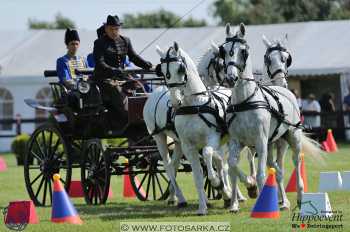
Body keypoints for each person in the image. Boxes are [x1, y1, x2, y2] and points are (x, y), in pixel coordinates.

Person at [92, 15, 153, 125]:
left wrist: (147, 65)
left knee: (139, 87)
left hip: (122, 77)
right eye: (111, 29)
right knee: (118, 92)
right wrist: (113, 70)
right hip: (104, 78)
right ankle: (129, 118)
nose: (114, 31)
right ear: (106, 28)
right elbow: (100, 63)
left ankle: (145, 117)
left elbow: (134, 57)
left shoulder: (125, 40)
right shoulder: (99, 43)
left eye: (116, 29)